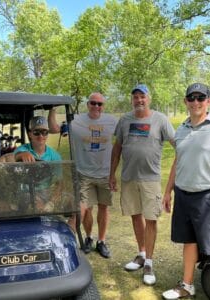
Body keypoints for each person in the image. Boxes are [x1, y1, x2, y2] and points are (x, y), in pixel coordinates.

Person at [109, 84, 175, 285]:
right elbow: (117, 147)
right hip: (129, 178)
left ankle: (149, 263)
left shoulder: (160, 120)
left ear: (149, 99)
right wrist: (111, 174)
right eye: (135, 97)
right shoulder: (124, 120)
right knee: (136, 216)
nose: (139, 100)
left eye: (142, 96)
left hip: (150, 180)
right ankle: (141, 253)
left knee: (151, 219)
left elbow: (177, 145)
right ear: (132, 100)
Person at [48, 92, 118, 258]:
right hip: (83, 174)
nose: (96, 107)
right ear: (88, 104)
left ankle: (101, 241)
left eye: (100, 104)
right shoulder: (76, 121)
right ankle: (88, 237)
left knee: (103, 207)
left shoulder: (112, 121)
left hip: (105, 174)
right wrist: (52, 109)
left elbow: (125, 137)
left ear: (104, 106)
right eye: (93, 103)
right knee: (84, 209)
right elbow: (54, 128)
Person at [162, 83, 210, 299]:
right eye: (192, 98)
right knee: (189, 240)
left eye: (201, 98)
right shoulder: (180, 129)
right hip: (183, 194)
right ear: (186, 102)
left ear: (208, 101)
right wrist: (168, 190)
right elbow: (177, 161)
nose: (196, 102)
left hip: (205, 195)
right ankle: (187, 285)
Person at [14, 116, 62, 212]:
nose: (41, 136)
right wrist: (22, 155)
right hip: (25, 192)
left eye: (44, 132)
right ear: (30, 134)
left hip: (45, 193)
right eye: (36, 132)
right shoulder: (22, 150)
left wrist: (51, 203)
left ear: (48, 134)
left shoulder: (54, 156)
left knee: (73, 202)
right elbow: (15, 157)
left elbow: (59, 183)